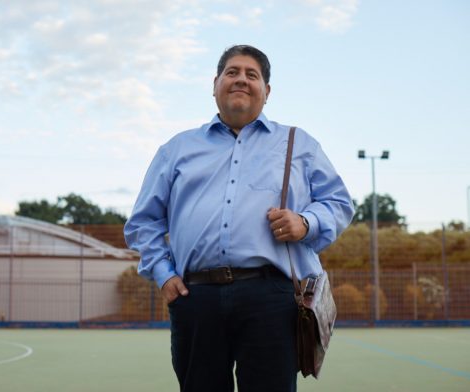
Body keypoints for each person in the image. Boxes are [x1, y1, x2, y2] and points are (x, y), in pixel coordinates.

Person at [124, 45, 354, 392]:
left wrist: (306, 223)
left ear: (267, 91)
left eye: (252, 74)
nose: (241, 80)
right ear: (215, 83)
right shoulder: (176, 149)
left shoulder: (299, 143)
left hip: (273, 298)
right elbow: (144, 222)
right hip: (194, 297)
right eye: (232, 72)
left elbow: (339, 202)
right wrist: (163, 275)